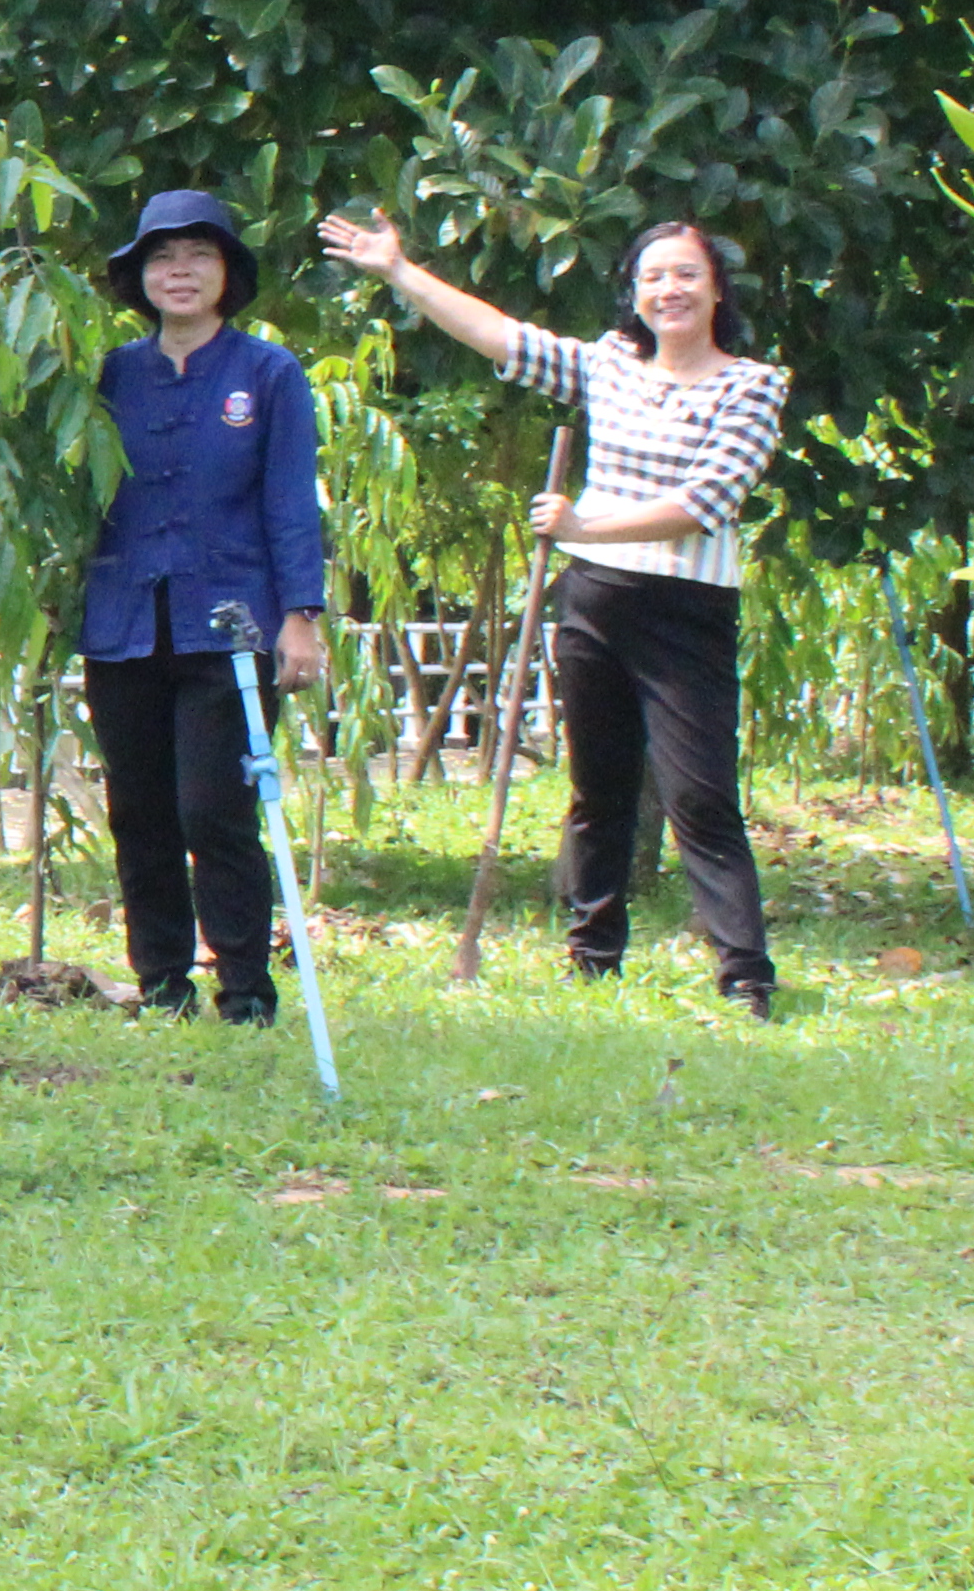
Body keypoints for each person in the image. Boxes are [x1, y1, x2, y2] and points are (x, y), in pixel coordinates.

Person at [314, 208, 790, 1015]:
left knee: (700, 794)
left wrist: (582, 527)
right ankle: (592, 954)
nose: (668, 289)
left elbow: (707, 500)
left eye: (686, 275)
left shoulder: (751, 384)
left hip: (687, 608)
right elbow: (501, 337)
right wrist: (397, 269)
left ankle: (745, 972)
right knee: (597, 788)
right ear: (634, 295)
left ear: (716, 292)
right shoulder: (608, 367)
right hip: (597, 601)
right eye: (652, 277)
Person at [76, 190, 328, 1023]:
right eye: (161, 257)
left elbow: (291, 499)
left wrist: (302, 615)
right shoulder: (108, 374)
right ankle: (161, 981)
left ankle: (246, 985)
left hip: (231, 621)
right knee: (138, 805)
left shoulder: (267, 373)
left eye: (199, 256)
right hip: (123, 620)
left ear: (227, 274)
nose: (179, 273)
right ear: (139, 276)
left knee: (213, 804)